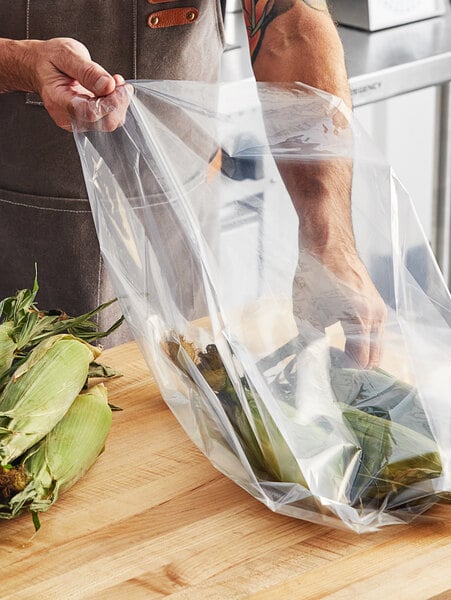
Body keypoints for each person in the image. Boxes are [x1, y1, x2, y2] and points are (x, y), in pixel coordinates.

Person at [0, 0, 385, 367]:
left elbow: (290, 27)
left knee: (183, 403)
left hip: (183, 225)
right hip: (26, 236)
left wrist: (328, 240)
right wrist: (20, 63)